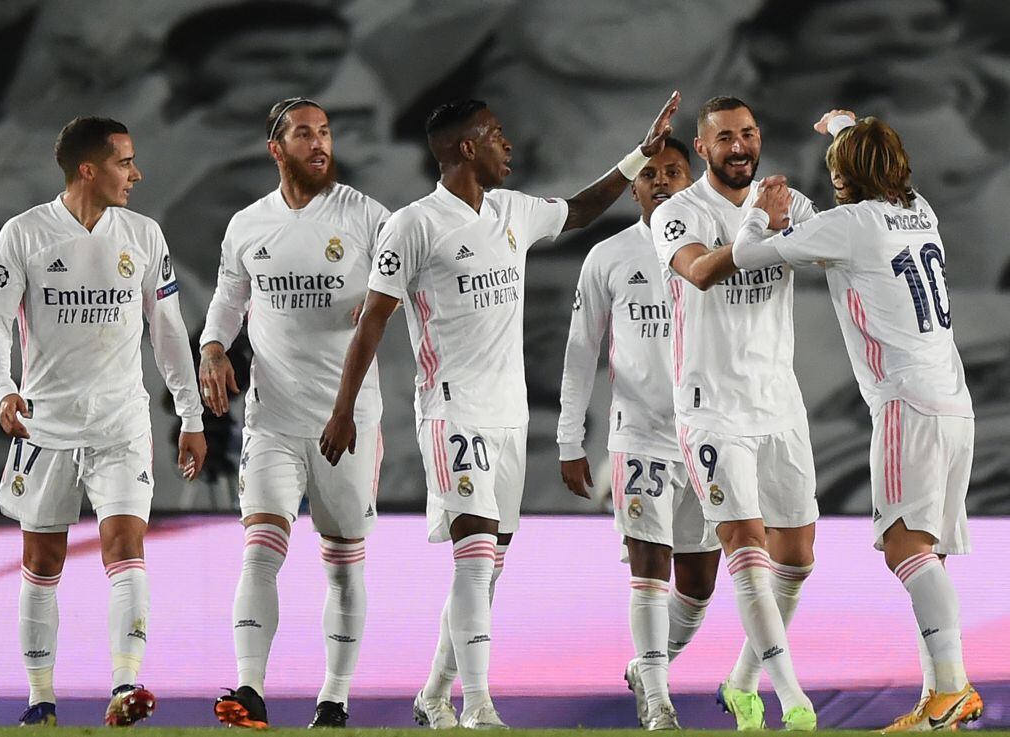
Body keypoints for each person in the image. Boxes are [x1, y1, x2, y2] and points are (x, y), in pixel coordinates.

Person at [319, 91, 681, 729]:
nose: (506, 144)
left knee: (486, 571)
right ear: (467, 147)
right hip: (453, 413)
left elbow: (578, 210)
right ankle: (478, 704)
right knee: (476, 554)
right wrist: (343, 407)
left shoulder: (512, 210)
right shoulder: (413, 226)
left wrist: (636, 158)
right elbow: (373, 320)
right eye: (495, 134)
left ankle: (433, 694)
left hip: (511, 417)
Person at [731, 110, 983, 732]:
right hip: (954, 402)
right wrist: (846, 126)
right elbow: (843, 234)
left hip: (904, 403)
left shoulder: (853, 223)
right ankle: (937, 702)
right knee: (929, 553)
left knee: (904, 547)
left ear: (847, 176)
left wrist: (764, 209)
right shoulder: (917, 209)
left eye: (837, 169)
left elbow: (746, 253)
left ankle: (952, 688)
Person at [0, 116, 206, 726]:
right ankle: (39, 701)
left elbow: (168, 333)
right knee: (43, 561)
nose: (137, 173)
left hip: (121, 424)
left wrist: (189, 414)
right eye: (125, 162)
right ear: (88, 169)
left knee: (125, 547)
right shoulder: (24, 235)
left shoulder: (145, 235)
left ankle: (125, 688)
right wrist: (1, 389)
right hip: (43, 426)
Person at [200, 98, 389, 729]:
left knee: (343, 563)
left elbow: (400, 298)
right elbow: (229, 300)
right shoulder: (248, 224)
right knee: (261, 548)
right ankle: (249, 689)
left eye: (326, 133)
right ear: (276, 149)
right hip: (272, 420)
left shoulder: (367, 217)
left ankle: (334, 698)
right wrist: (212, 349)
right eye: (304, 134)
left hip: (348, 421)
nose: (320, 144)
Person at [649, 96, 819, 731]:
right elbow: (699, 272)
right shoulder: (676, 212)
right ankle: (793, 700)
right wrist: (760, 227)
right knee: (744, 546)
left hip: (780, 403)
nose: (740, 146)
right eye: (726, 137)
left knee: (797, 557)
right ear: (703, 148)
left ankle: (742, 681)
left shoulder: (786, 201)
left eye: (748, 133)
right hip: (712, 408)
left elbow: (828, 249)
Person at [557, 138, 721, 730]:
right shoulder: (608, 256)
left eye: (673, 172)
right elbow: (581, 353)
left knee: (699, 585)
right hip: (640, 435)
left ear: (691, 178)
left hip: (709, 434)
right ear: (633, 187)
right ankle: (657, 700)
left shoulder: (718, 250)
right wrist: (569, 440)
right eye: (649, 174)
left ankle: (650, 665)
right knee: (647, 564)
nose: (661, 182)